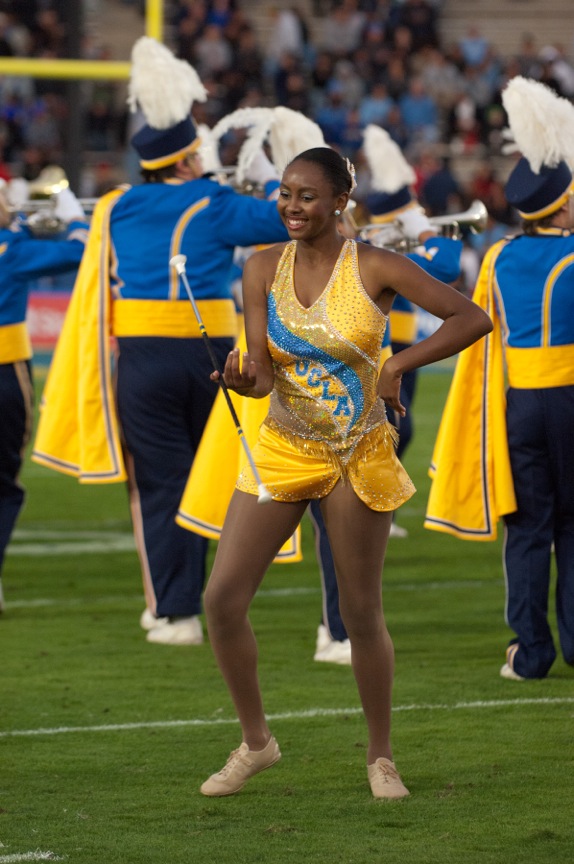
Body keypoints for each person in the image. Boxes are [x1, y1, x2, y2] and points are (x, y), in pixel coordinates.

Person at [198, 146, 492, 799]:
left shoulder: (378, 265)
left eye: (306, 195)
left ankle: (381, 757)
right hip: (285, 445)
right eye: (284, 194)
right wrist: (241, 378)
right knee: (220, 601)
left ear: (339, 201)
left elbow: (473, 317)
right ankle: (256, 744)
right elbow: (263, 374)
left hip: (358, 451)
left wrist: (396, 366)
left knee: (360, 612)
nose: (291, 206)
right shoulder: (260, 268)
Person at [31, 37, 289, 645]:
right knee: (220, 478)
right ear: (184, 161)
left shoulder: (114, 207)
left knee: (159, 485)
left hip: (140, 359)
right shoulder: (213, 200)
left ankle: (176, 613)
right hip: (211, 356)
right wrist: (267, 177)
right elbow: (288, 217)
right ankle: (223, 597)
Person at [425, 76, 574, 682]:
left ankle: (530, 651)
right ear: (560, 204)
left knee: (528, 529)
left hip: (517, 405)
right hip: (569, 400)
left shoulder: (498, 256)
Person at [311, 125, 463, 665]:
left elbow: (448, 269)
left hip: (368, 371)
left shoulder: (370, 248)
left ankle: (339, 627)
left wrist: (415, 235)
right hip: (319, 393)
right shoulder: (317, 250)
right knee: (333, 516)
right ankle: (336, 629)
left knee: (344, 513)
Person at [0, 181, 88, 611]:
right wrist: (71, 213)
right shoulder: (10, 250)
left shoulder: (12, 243)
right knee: (3, 483)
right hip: (4, 371)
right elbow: (79, 249)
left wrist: (19, 226)